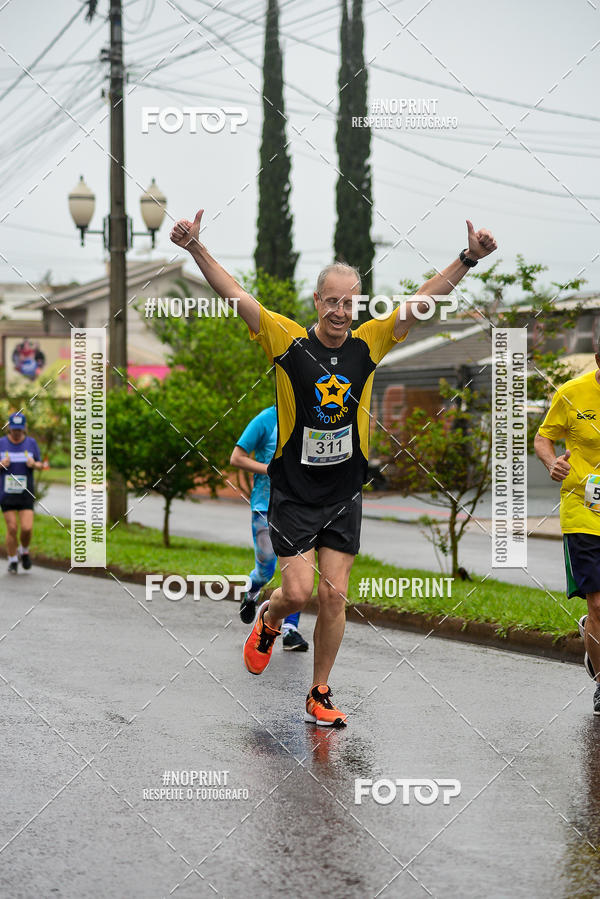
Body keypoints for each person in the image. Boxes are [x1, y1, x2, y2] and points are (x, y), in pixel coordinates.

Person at [171, 209, 497, 726]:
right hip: (294, 491)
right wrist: (196, 249)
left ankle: (319, 692)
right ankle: (270, 618)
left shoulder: (370, 341)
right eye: (332, 301)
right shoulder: (287, 342)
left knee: (332, 595)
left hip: (344, 490)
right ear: (317, 302)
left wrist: (467, 260)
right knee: (297, 592)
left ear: (356, 304)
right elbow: (237, 296)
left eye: (349, 301)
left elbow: (420, 301)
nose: (341, 311)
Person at [535, 350, 600, 714]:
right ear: (598, 361)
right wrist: (552, 462)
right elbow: (543, 439)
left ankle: (592, 629)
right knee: (599, 603)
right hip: (583, 512)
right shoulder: (572, 393)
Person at [230, 404, 309, 651]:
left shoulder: (310, 416)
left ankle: (289, 630)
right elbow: (236, 457)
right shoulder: (266, 419)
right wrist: (272, 470)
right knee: (266, 570)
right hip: (265, 506)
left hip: (300, 506)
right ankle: (252, 592)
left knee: (297, 572)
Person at [0, 412, 43, 574]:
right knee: (12, 528)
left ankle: (24, 551)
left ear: (24, 428)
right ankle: (12, 561)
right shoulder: (1, 443)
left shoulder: (31, 443)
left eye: (19, 429)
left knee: (26, 528)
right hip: (6, 493)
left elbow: (42, 465)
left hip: (26, 493)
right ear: (9, 428)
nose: (16, 433)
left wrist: (34, 464)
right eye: (13, 429)